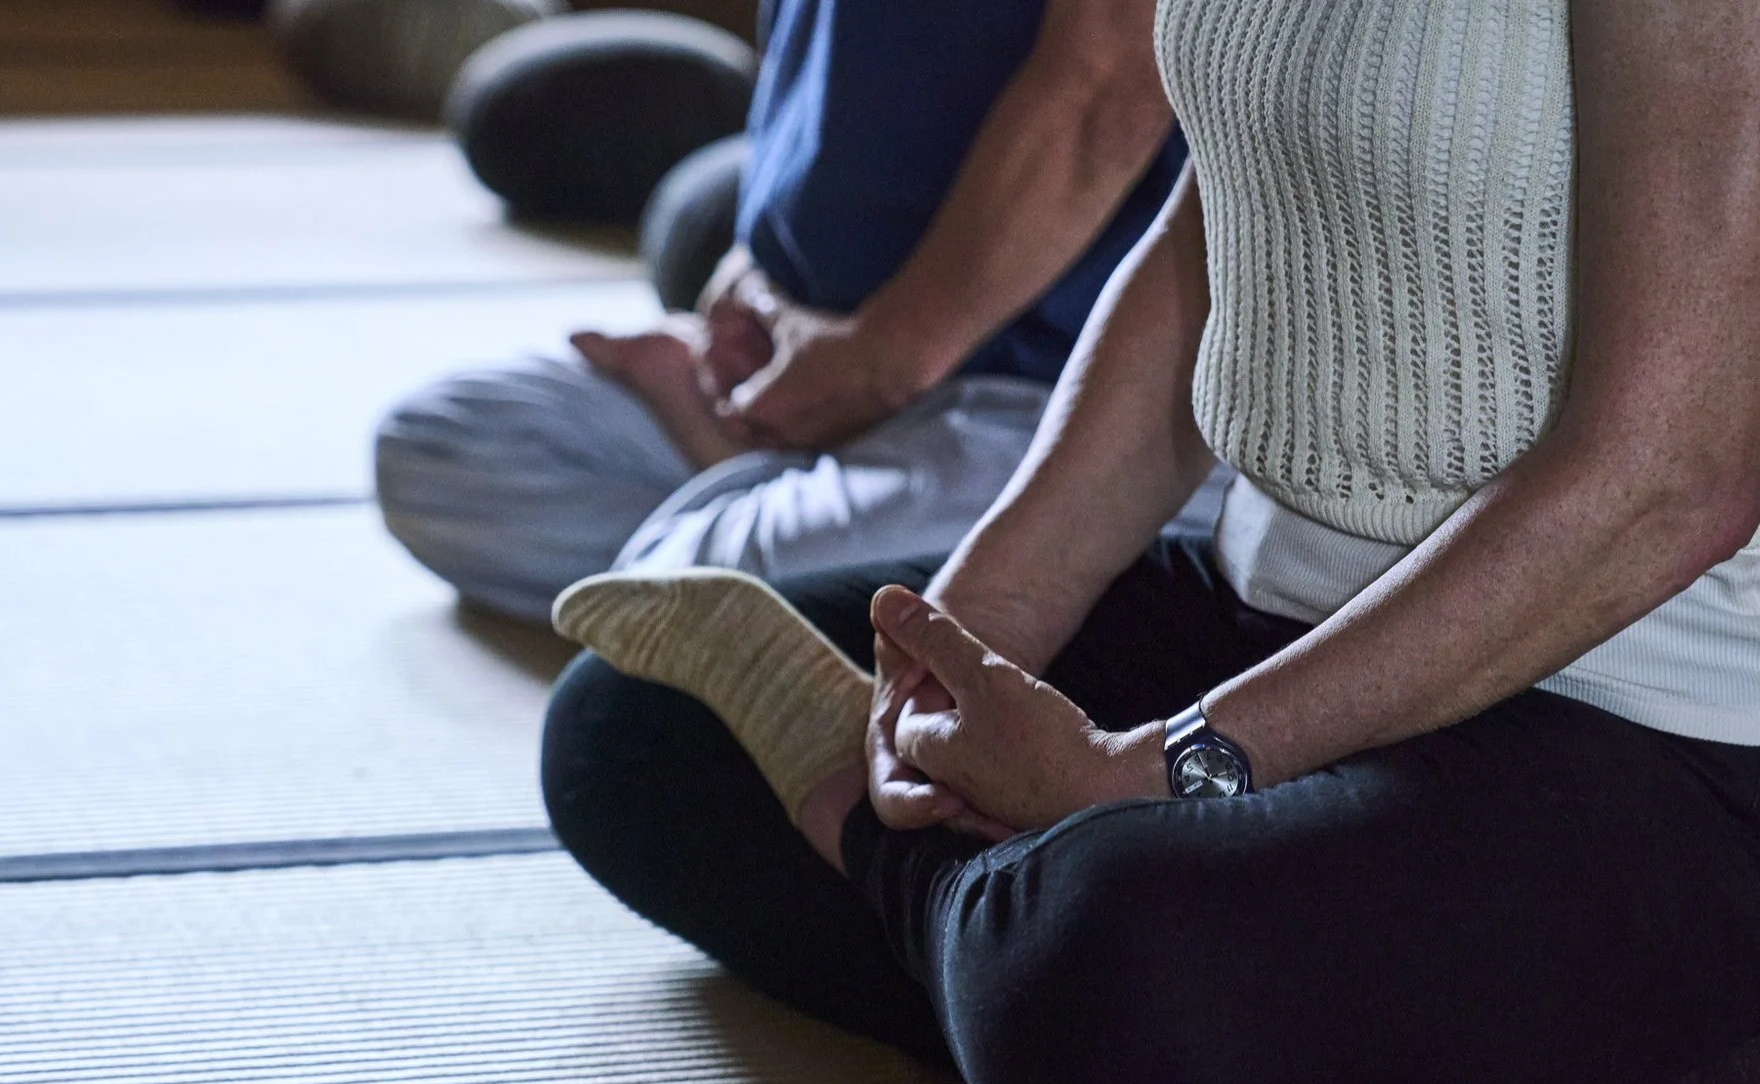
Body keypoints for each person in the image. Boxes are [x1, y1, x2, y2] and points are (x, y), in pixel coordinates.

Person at [542, 0, 1760, 1084]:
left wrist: (1169, 769)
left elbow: (1667, 483)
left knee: (1115, 981)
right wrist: (972, 633)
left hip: (1680, 719)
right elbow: (1215, 241)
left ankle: (1166, 1000)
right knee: (637, 733)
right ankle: (1260, 1049)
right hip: (1285, 615)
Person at [373, 0, 1190, 622]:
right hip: (809, 356)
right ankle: (778, 490)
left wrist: (887, 361)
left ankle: (1120, 573)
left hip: (1052, 407)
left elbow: (1111, 80)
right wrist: (751, 291)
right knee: (443, 449)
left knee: (669, 600)